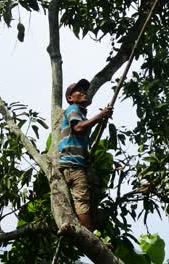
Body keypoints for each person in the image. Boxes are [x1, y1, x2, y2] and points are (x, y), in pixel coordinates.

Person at [58, 79, 113, 230]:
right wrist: (101, 115)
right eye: (79, 91)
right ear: (70, 98)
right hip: (73, 164)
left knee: (93, 187)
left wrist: (101, 119)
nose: (83, 93)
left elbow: (83, 132)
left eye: (84, 91)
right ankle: (88, 234)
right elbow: (78, 128)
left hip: (79, 164)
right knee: (81, 197)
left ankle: (91, 224)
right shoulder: (73, 109)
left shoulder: (81, 114)